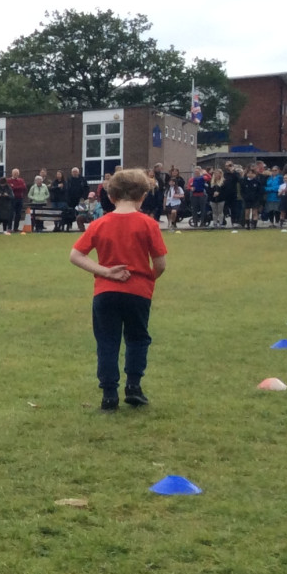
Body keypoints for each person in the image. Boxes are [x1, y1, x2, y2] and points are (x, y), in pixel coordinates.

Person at [69, 168, 168, 413]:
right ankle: (133, 386)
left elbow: (76, 255)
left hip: (105, 292)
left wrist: (105, 271)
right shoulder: (148, 224)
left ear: (111, 197)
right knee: (137, 339)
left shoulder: (99, 223)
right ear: (143, 196)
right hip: (138, 292)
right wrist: (148, 278)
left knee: (107, 341)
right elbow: (160, 263)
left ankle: (109, 395)